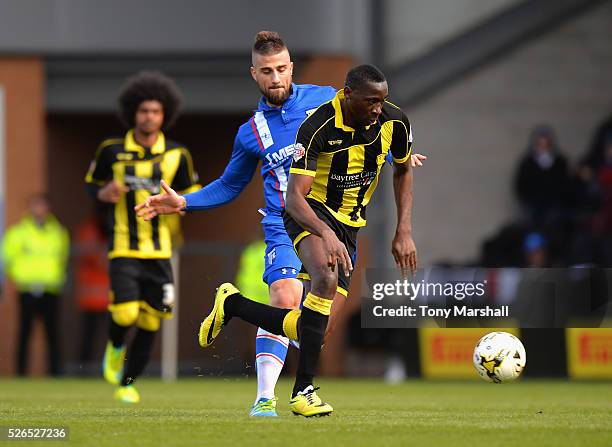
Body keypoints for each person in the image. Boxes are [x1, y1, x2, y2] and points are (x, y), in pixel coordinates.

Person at [135, 31, 426, 417]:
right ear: (253, 74)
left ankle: (233, 304)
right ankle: (265, 397)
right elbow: (229, 185)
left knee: (315, 332)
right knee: (286, 296)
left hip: (338, 218)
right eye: (267, 71)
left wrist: (395, 154)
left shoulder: (326, 100)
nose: (276, 78)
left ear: (291, 68)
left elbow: (364, 131)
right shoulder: (251, 131)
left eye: (282, 69)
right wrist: (185, 201)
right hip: (285, 220)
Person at [85, 71, 200, 403]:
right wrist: (103, 190)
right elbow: (92, 184)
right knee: (124, 314)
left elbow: (192, 197)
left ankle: (127, 383)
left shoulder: (178, 154)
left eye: (156, 111)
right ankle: (115, 346)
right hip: (123, 245)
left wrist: (176, 205)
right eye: (143, 111)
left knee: (152, 319)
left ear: (165, 115)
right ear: (133, 113)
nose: (149, 117)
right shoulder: (112, 150)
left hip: (161, 250)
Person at [2, 194, 69, 376]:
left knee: (52, 334)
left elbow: (63, 258)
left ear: (48, 209)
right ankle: (21, 373)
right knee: (24, 333)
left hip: (50, 288)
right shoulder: (18, 233)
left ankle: (55, 374)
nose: (39, 210)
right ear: (30, 208)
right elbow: (7, 258)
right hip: (27, 289)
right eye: (36, 206)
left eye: (43, 206)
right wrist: (19, 277)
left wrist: (56, 277)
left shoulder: (58, 232)